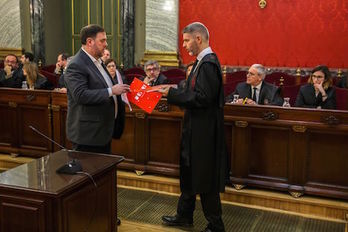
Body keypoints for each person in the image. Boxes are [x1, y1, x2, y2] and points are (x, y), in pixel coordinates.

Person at [157, 22, 227, 232]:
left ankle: (216, 225)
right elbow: (190, 89)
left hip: (204, 133)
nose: (184, 45)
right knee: (190, 171)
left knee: (204, 178)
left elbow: (203, 98)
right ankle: (184, 215)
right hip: (195, 129)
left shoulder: (208, 63)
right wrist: (170, 88)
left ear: (198, 39)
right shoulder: (200, 62)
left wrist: (172, 94)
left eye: (187, 40)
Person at [64, 24, 129, 226]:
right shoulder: (76, 64)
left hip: (102, 131)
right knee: (86, 180)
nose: (106, 44)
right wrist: (112, 91)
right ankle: (85, 219)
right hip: (87, 134)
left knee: (102, 178)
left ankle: (102, 214)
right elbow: (81, 95)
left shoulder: (98, 61)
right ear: (90, 42)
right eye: (102, 40)